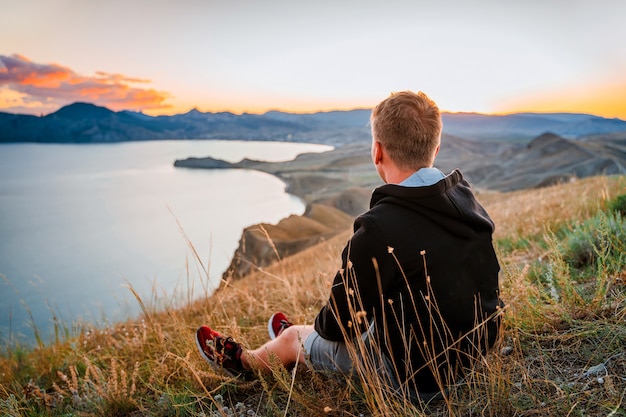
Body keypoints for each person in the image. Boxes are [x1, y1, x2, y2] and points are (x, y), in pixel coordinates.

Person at [196, 90, 504, 401]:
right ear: (435, 149)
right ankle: (303, 343)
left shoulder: (378, 228)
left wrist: (318, 332)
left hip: (416, 379)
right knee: (375, 315)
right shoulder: (464, 197)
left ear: (377, 151)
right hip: (473, 358)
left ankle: (249, 360)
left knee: (294, 338)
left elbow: (338, 326)